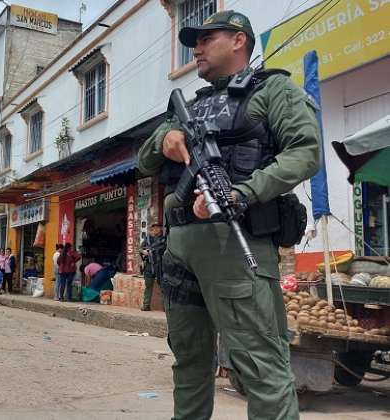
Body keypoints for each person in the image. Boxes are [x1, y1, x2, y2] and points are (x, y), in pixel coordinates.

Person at [137, 10, 319, 419]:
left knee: (260, 366)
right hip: (180, 246)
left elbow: (306, 153)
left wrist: (241, 192)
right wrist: (165, 139)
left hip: (235, 245)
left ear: (239, 40)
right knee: (188, 362)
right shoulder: (192, 105)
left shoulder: (274, 91)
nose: (195, 47)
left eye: (206, 38)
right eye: (193, 40)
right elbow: (145, 159)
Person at [140, 223, 165, 311]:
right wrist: (144, 252)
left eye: (157, 228)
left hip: (160, 266)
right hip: (149, 266)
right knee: (148, 285)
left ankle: (165, 307)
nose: (155, 230)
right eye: (153, 228)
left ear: (161, 229)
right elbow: (140, 249)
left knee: (163, 286)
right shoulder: (148, 239)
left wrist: (152, 250)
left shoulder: (164, 239)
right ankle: (146, 305)